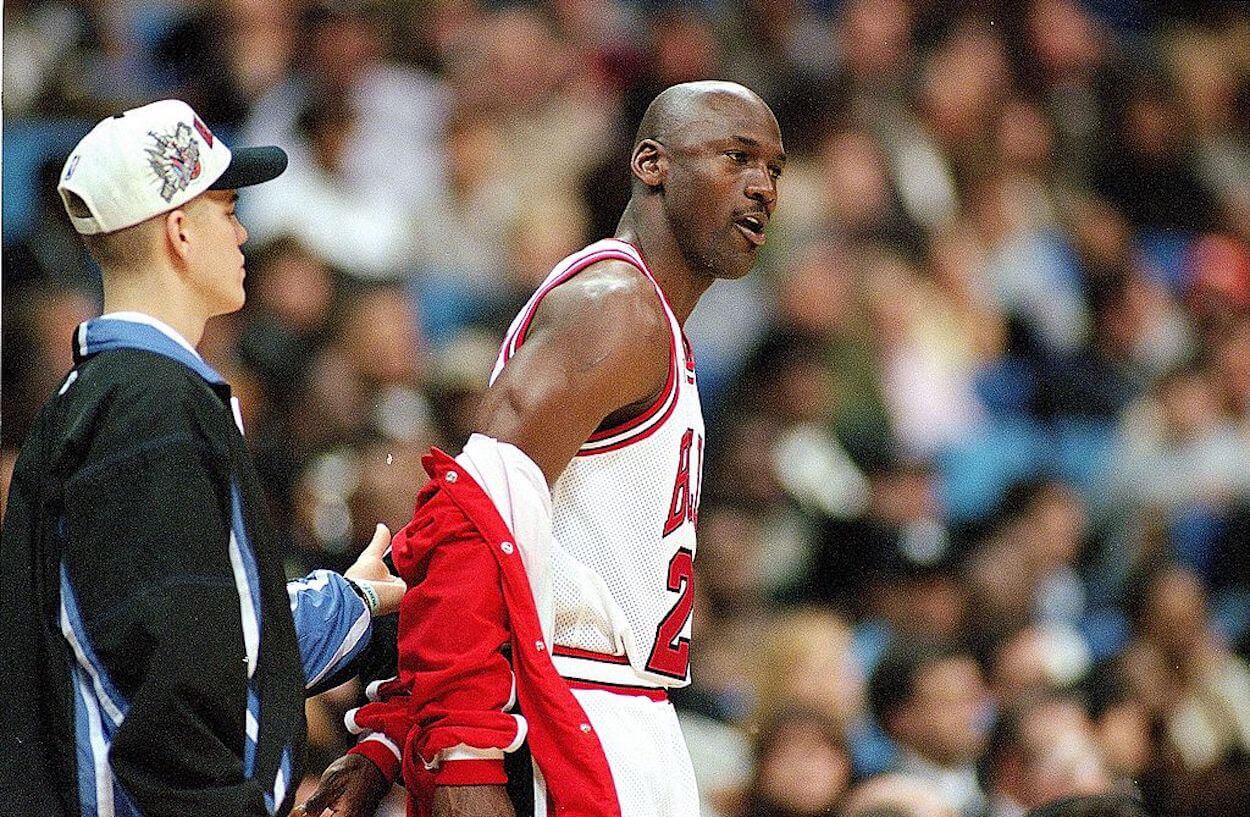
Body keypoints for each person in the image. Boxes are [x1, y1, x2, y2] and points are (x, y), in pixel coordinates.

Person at [300, 80, 785, 817]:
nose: (761, 187)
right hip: (558, 720)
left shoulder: (650, 322)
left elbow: (501, 543)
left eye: (775, 169)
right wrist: (461, 756)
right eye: (736, 156)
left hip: (613, 711)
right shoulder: (612, 310)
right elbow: (466, 526)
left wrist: (393, 735)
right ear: (650, 163)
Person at [0, 99, 406, 817]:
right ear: (181, 231)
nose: (244, 230)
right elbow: (175, 687)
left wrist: (351, 602)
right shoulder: (148, 403)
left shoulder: (113, 394)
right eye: (227, 208)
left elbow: (202, 636)